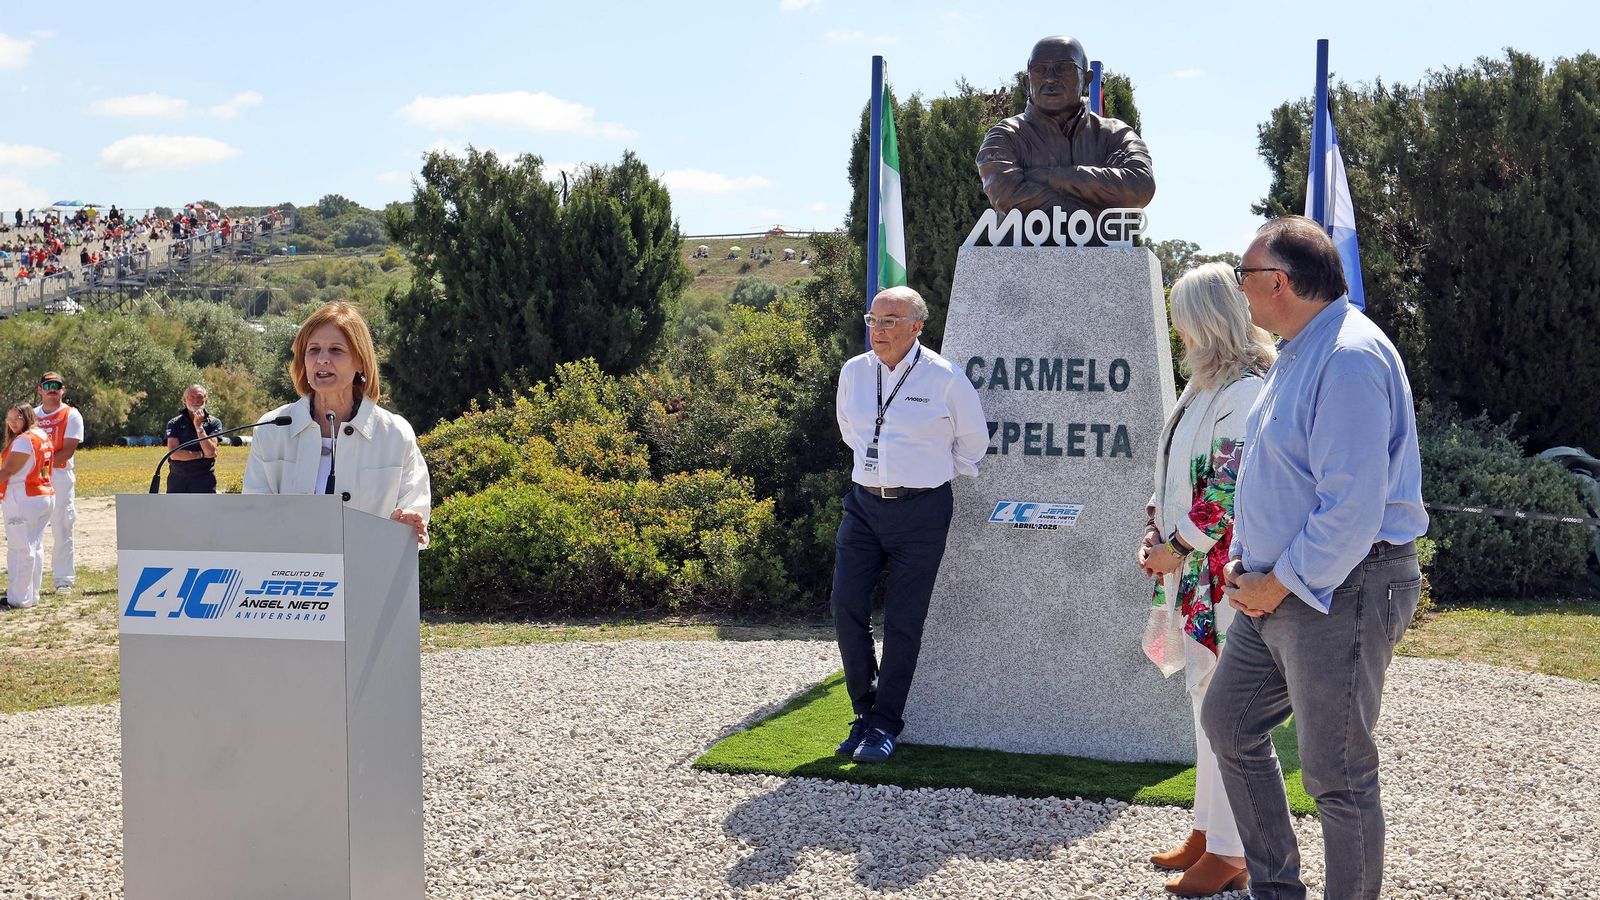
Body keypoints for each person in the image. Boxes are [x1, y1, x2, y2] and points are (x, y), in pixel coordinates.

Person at [1201, 216, 1429, 900]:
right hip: (1278, 588)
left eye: (1244, 277)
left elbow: (1352, 508)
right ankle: (1277, 890)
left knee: (1336, 771)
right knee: (1229, 723)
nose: (1239, 291)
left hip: (1342, 585)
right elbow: (1271, 475)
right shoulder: (1301, 349)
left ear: (1278, 282)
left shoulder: (1349, 357)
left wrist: (1282, 582)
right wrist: (1247, 565)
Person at [1137, 263, 1276, 896]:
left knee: (1218, 703)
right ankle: (1208, 831)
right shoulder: (1205, 387)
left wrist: (1177, 544)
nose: (1176, 330)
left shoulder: (1244, 391)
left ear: (1206, 322)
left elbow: (1226, 486)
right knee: (1202, 699)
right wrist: (1156, 534)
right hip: (1192, 574)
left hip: (1220, 576)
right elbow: (1172, 475)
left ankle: (1232, 850)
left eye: (1182, 318)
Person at [830, 286, 987, 763]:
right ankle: (862, 711)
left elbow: (972, 443)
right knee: (845, 607)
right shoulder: (854, 373)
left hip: (921, 511)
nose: (878, 330)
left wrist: (925, 476)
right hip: (863, 505)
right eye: (873, 320)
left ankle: (885, 725)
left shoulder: (944, 377)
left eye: (890, 320)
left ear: (917, 326)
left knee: (903, 620)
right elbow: (849, 432)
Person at [244, 302, 430, 545]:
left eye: (335, 350)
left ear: (360, 362)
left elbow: (413, 524)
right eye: (313, 350)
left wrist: (407, 527)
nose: (322, 359)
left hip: (368, 576)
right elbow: (252, 518)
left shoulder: (395, 435)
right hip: (289, 579)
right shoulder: (271, 429)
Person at [976, 35, 1156, 218]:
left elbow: (1141, 186)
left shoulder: (1116, 135)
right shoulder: (1005, 136)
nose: (1051, 79)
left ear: (1086, 79)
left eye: (1064, 68)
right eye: (1039, 69)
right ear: (1027, 82)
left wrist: (1051, 177)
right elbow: (1007, 194)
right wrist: (1089, 215)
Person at [1, 404, 55, 610]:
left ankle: (18, 598)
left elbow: (8, 471)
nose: (12, 423)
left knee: (20, 548)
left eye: (17, 418)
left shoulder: (24, 440)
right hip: (42, 494)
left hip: (23, 497)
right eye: (9, 419)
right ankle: (32, 595)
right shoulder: (41, 435)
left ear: (28, 417)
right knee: (34, 546)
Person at [34, 372, 83, 594]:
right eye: (48, 385)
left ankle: (64, 580)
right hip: (33, 479)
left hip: (59, 476)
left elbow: (67, 451)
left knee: (63, 527)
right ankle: (30, 581)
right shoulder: (31, 416)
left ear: (63, 390)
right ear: (40, 390)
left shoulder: (71, 415)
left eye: (57, 385)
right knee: (32, 529)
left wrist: (38, 466)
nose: (52, 388)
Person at [164, 385, 224, 493]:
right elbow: (174, 454)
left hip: (204, 479)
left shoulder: (214, 423)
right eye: (192, 397)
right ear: (184, 400)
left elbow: (210, 452)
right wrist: (200, 454)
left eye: (200, 397)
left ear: (205, 399)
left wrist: (199, 427)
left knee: (204, 510)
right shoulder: (174, 423)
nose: (196, 400)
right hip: (178, 479)